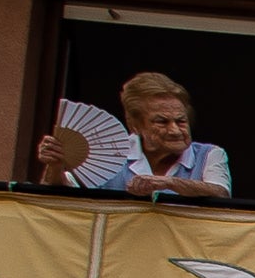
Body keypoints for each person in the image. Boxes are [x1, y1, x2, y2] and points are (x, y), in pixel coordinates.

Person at [59, 73, 232, 202]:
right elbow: (63, 192)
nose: (174, 130)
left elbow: (221, 193)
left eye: (181, 121)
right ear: (136, 126)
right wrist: (55, 163)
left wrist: (168, 183)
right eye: (162, 122)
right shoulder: (110, 152)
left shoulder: (210, 154)